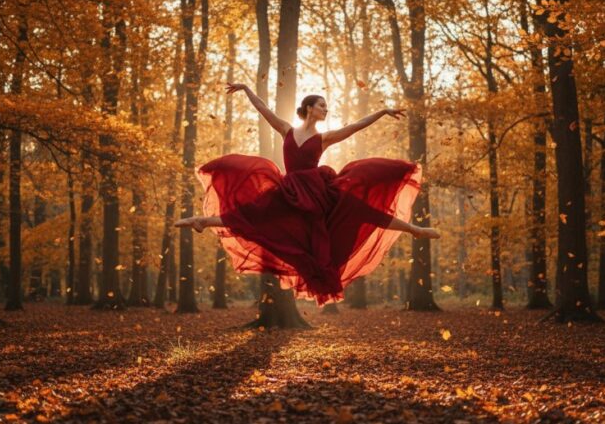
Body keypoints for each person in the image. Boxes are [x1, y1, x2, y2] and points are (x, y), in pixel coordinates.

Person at [174, 82, 440, 305]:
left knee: (360, 209)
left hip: (316, 192)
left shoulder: (324, 138)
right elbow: (263, 110)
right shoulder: (286, 130)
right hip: (289, 191)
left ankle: (413, 229)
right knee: (254, 213)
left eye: (326, 106)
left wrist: (381, 112)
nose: (326, 109)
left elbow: (356, 126)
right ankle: (203, 221)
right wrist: (246, 89)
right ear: (309, 108)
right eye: (322, 105)